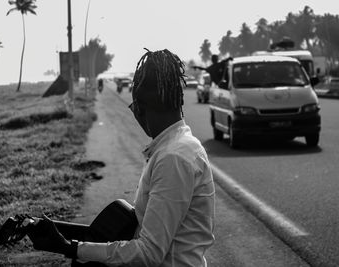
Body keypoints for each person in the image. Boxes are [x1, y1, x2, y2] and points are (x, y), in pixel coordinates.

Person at [28, 48, 216, 266]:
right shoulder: (181, 146)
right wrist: (60, 235)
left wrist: (68, 248)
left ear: (140, 109)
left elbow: (148, 253)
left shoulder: (173, 158)